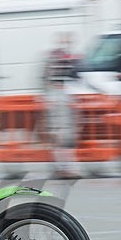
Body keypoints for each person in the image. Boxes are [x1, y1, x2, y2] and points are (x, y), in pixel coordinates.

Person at [42, 32, 80, 179]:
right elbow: (47, 77)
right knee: (59, 137)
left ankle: (64, 167)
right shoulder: (56, 58)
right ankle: (62, 168)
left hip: (63, 95)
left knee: (65, 139)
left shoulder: (69, 58)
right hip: (58, 97)